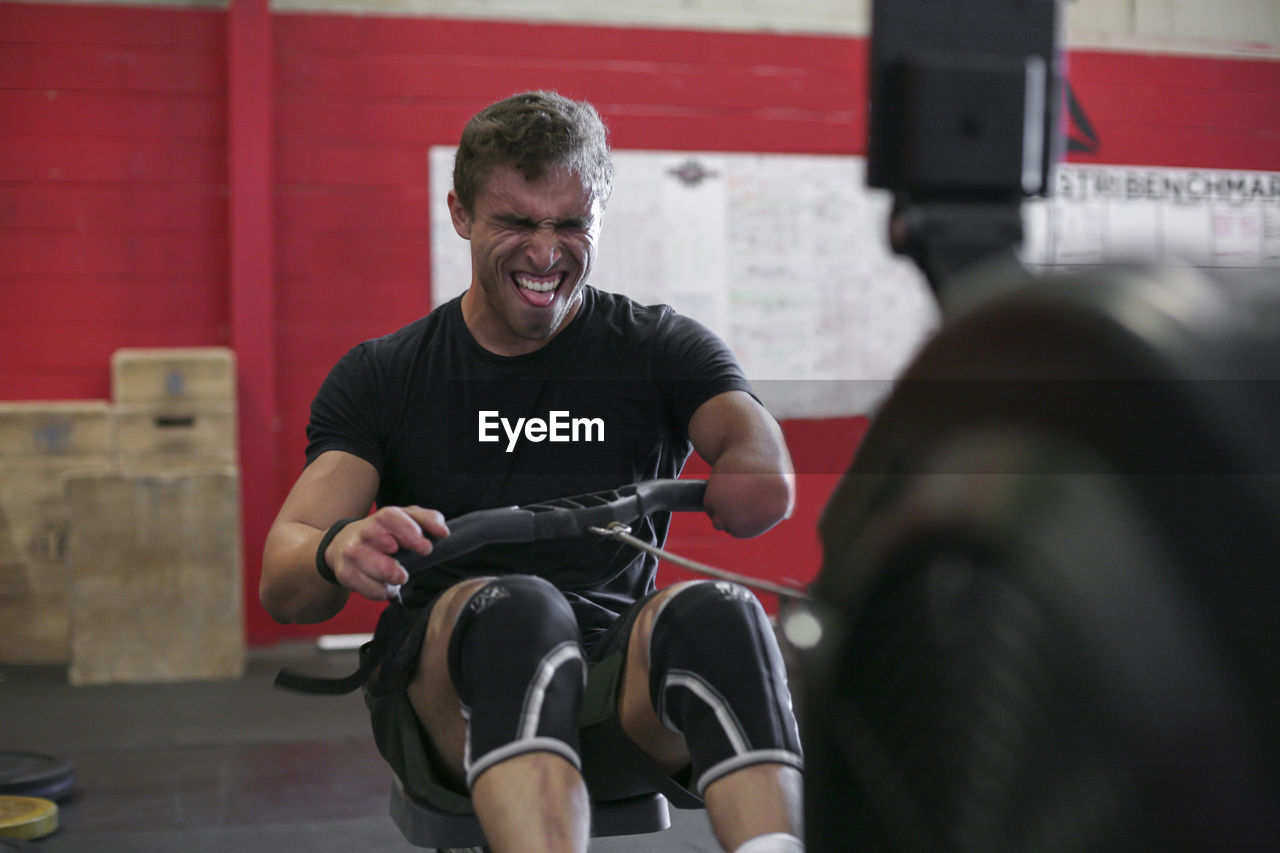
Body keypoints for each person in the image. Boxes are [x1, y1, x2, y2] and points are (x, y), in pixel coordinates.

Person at [260, 90, 804, 853]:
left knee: (723, 610)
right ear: (461, 214)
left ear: (600, 215)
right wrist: (336, 546)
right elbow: (284, 583)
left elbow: (761, 468)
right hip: (452, 692)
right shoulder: (385, 374)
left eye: (570, 224)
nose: (546, 253)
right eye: (516, 222)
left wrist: (750, 471)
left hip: (613, 683)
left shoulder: (658, 347)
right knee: (519, 609)